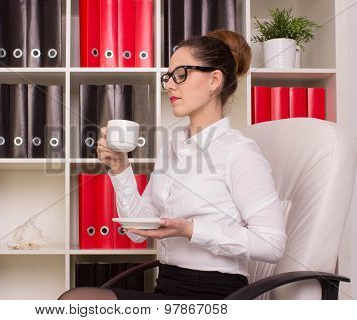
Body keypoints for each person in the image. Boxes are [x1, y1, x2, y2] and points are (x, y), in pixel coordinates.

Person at [58, 29, 287, 300]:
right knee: (75, 302)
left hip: (216, 295)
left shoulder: (239, 152)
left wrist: (191, 230)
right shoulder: (173, 145)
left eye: (181, 74)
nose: (169, 85)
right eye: (168, 77)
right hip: (167, 285)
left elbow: (272, 245)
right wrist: (120, 167)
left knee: (77, 301)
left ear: (215, 80)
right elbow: (138, 233)